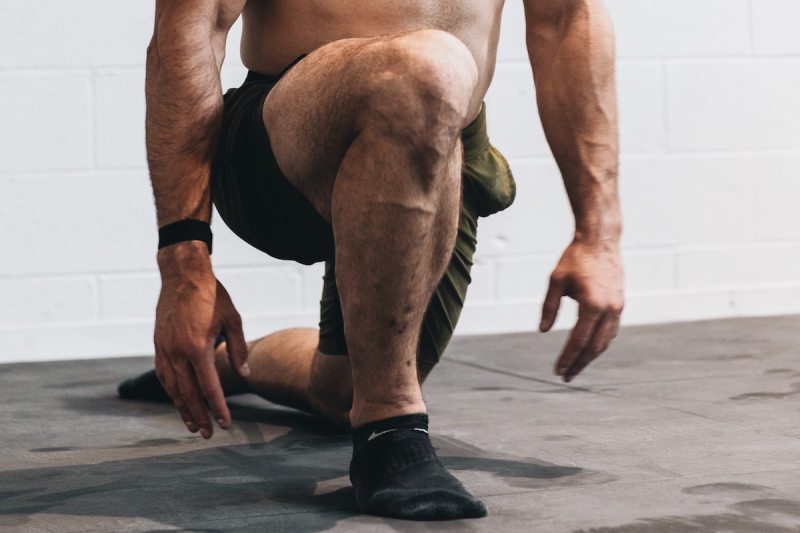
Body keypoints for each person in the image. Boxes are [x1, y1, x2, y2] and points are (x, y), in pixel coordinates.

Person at [119, 0, 624, 521]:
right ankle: (390, 426)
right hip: (284, 133)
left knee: (342, 392)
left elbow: (565, 19)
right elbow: (190, 32)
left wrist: (598, 236)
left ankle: (230, 364)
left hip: (441, 134)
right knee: (428, 66)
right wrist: (184, 262)